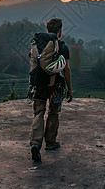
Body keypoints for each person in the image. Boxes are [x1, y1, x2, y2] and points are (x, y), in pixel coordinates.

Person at [30, 18, 73, 161]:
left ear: (47, 29)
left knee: (39, 113)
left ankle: (35, 144)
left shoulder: (39, 44)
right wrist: (70, 90)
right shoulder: (61, 46)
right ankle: (50, 142)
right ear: (59, 30)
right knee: (53, 112)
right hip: (55, 85)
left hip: (39, 84)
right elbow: (66, 69)